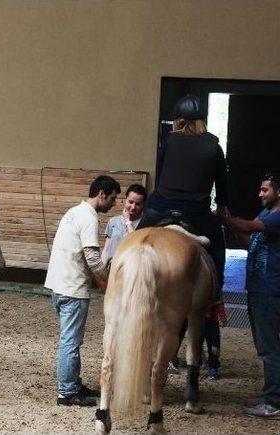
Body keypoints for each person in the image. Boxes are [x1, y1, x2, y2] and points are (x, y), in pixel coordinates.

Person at [138, 94, 228, 380]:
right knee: (218, 246)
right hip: (197, 212)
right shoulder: (214, 146)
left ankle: (117, 271)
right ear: (202, 120)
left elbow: (161, 173)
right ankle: (214, 291)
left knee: (137, 240)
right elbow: (222, 188)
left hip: (161, 206)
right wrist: (223, 206)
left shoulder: (168, 141)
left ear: (178, 119)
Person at [44, 175, 120, 406]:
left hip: (58, 285)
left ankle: (73, 384)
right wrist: (110, 282)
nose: (114, 204)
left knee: (72, 340)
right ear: (102, 194)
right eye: (113, 199)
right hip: (73, 289)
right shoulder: (89, 218)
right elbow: (93, 259)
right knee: (71, 341)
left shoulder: (74, 212)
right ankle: (67, 392)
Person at [221, 173, 280, 419]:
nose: (260, 194)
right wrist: (232, 229)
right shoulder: (267, 214)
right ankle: (271, 395)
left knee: (270, 348)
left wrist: (225, 218)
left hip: (270, 290)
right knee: (265, 346)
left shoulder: (278, 216)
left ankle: (273, 401)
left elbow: (249, 227)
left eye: (265, 190)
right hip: (258, 289)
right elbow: (252, 237)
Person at [101, 183, 147, 265]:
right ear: (126, 199)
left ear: (143, 205)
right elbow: (106, 249)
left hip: (131, 271)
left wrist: (127, 222)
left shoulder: (145, 224)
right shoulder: (113, 221)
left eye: (138, 204)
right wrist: (102, 270)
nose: (133, 207)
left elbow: (137, 242)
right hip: (111, 269)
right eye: (131, 202)